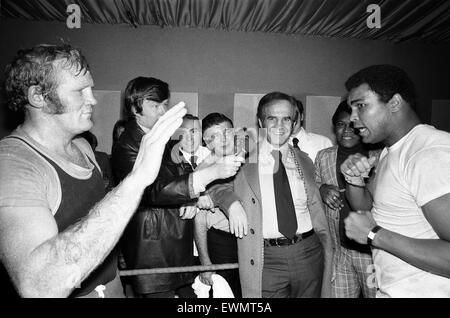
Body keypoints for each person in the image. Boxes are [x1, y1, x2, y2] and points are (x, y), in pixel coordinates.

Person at [0, 44, 187, 298]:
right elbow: (39, 286)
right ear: (38, 96)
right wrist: (137, 179)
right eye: (80, 91)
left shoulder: (82, 146)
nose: (93, 99)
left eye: (91, 88)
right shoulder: (12, 163)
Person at [111, 77, 243, 298]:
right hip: (153, 247)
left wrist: (190, 197)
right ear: (135, 108)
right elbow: (152, 191)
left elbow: (180, 176)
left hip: (174, 243)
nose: (163, 111)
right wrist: (210, 174)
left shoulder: (160, 138)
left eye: (165, 104)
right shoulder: (128, 145)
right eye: (155, 105)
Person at [341, 64, 450, 297]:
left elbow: (371, 227)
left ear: (395, 103)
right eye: (352, 109)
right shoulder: (390, 150)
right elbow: (371, 208)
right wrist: (354, 180)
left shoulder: (428, 154)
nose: (352, 118)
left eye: (361, 106)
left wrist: (373, 235)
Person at [210, 92, 332, 298]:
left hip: (309, 252)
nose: (280, 125)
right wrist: (232, 204)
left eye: (286, 118)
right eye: (272, 118)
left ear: (294, 123)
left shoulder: (305, 161)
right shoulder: (243, 157)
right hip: (265, 258)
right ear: (260, 122)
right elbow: (215, 186)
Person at [315, 100, 380, 298]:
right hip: (338, 249)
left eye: (352, 125)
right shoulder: (324, 156)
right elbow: (312, 185)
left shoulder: (378, 157)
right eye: (340, 124)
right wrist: (322, 188)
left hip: (371, 252)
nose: (346, 130)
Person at [194, 112, 243, 298]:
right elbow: (199, 221)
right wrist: (205, 263)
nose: (223, 140)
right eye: (214, 137)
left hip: (252, 241)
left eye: (226, 133)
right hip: (221, 243)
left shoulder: (250, 158)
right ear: (207, 143)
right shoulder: (203, 172)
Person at [289, 98, 333, 163]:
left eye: (294, 115)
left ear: (301, 116)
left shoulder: (324, 143)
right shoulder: (273, 146)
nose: (290, 120)